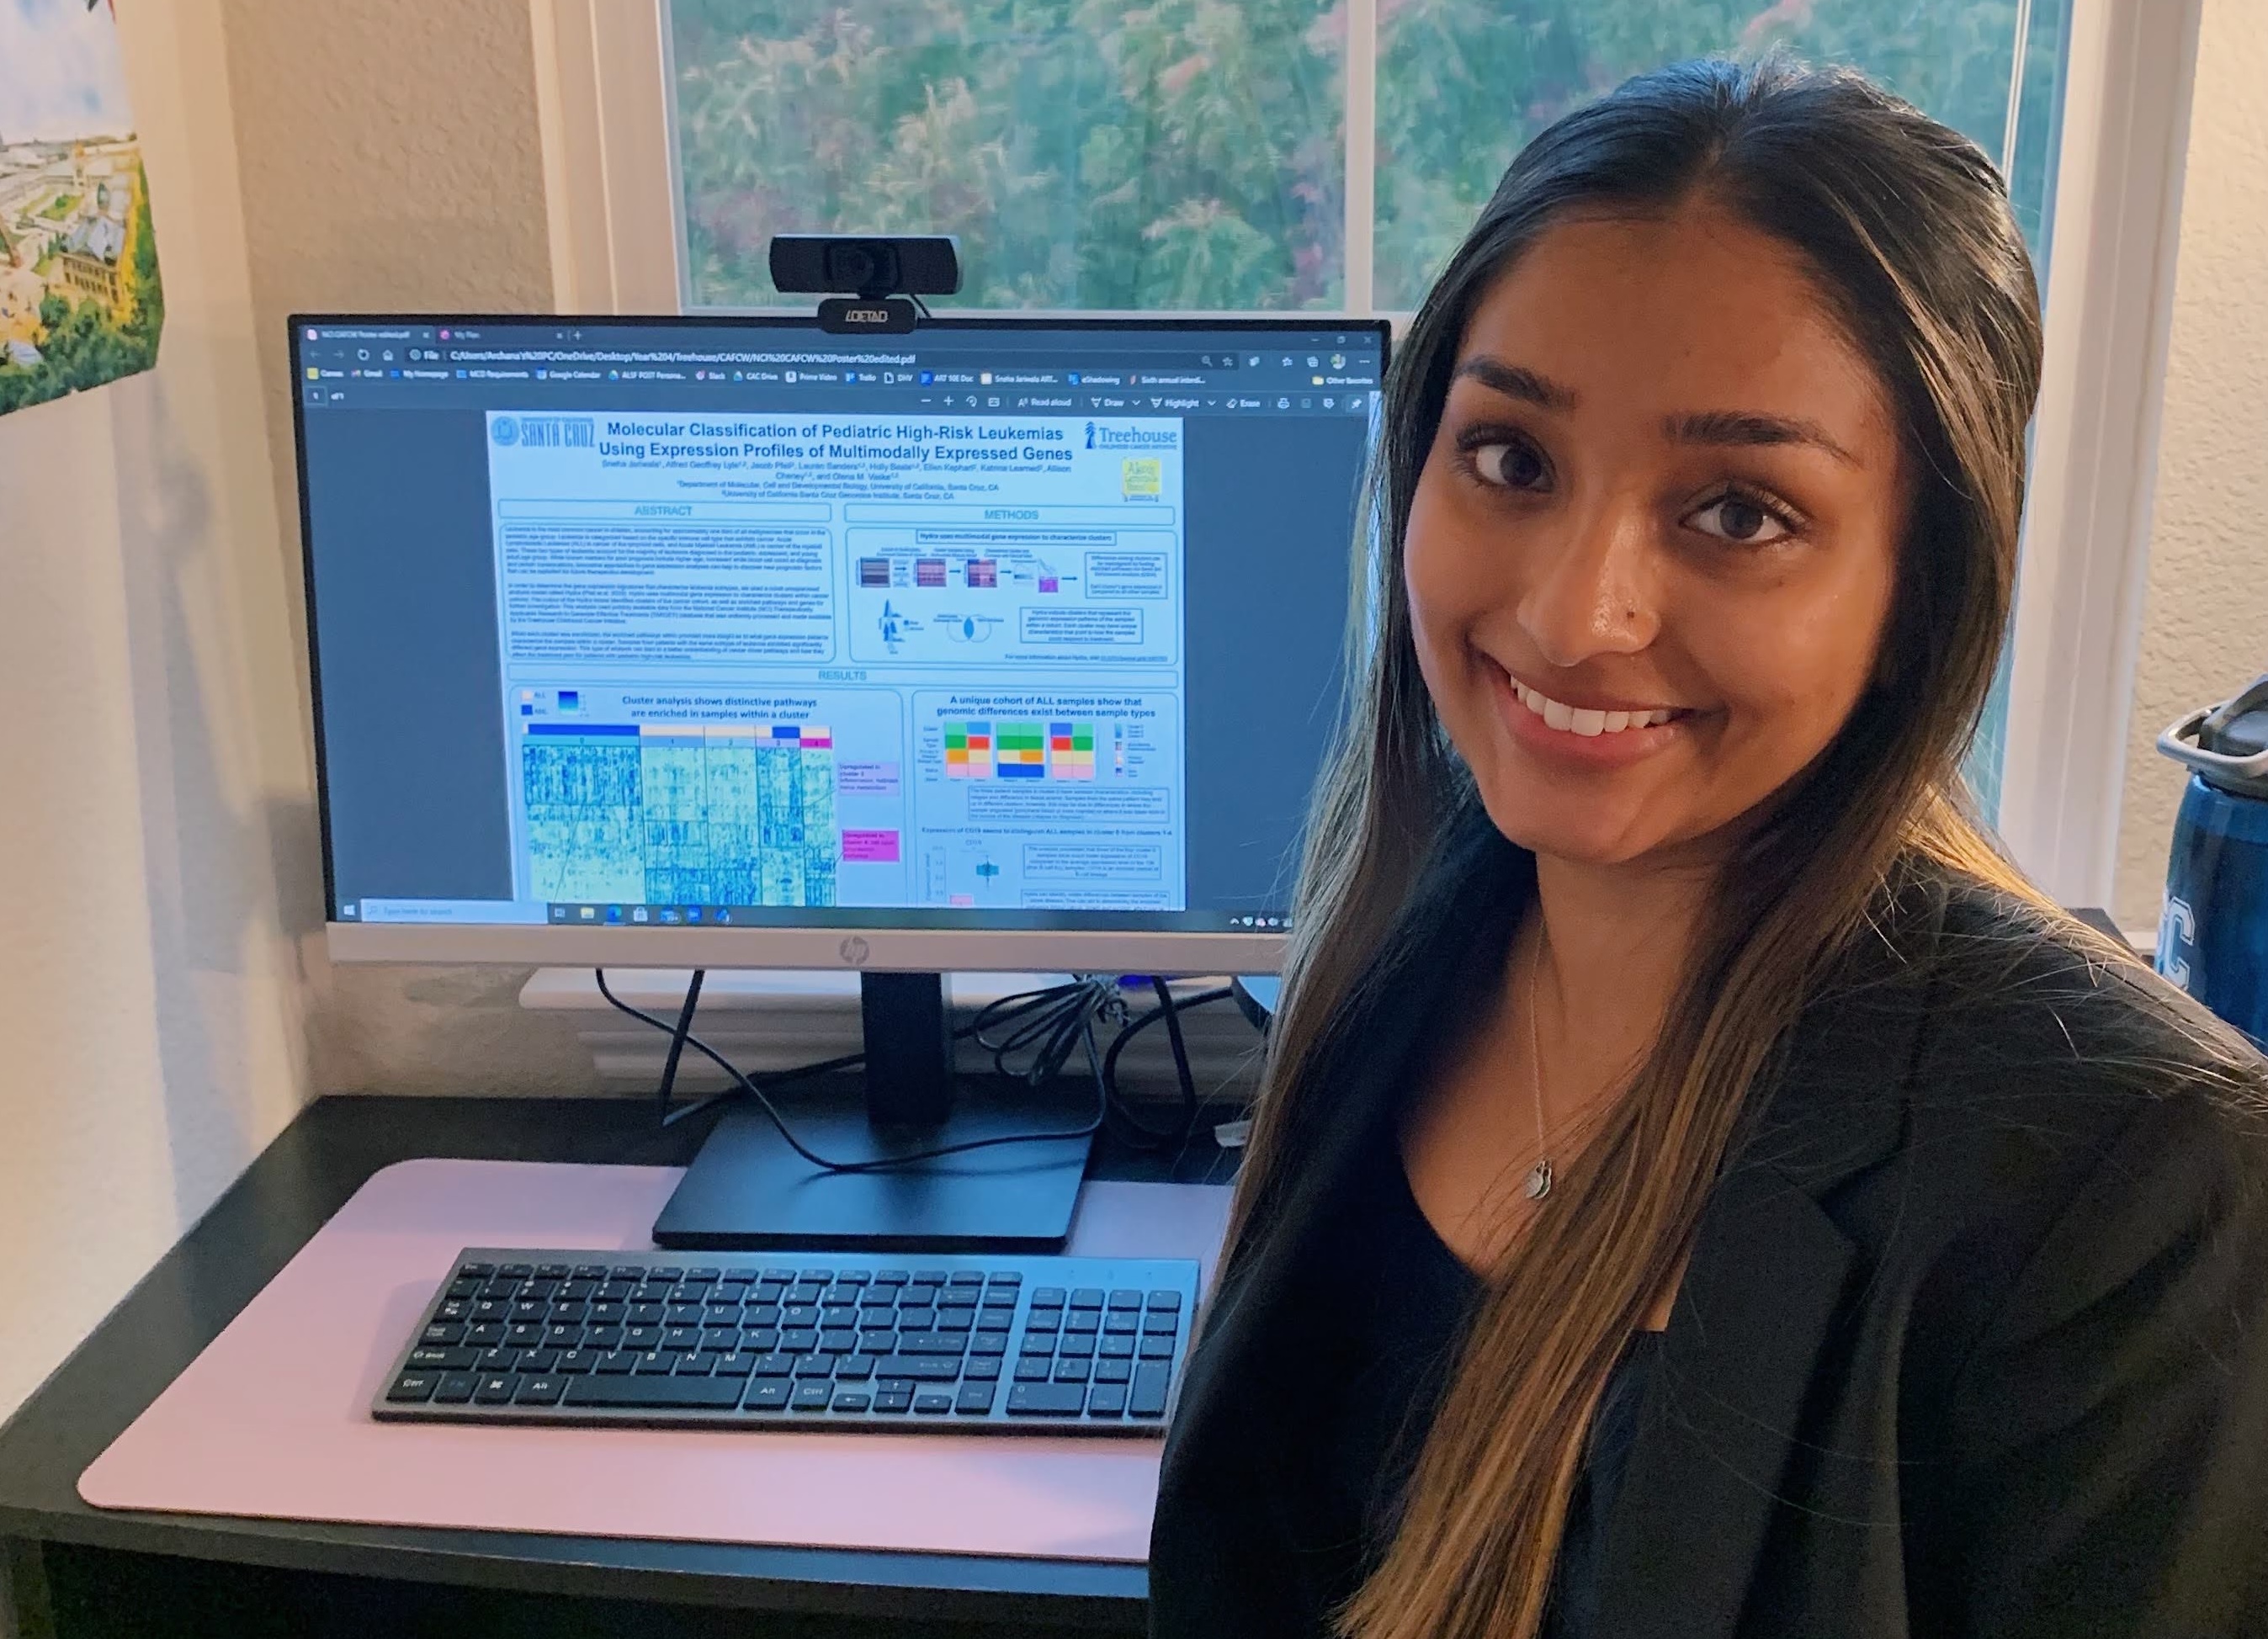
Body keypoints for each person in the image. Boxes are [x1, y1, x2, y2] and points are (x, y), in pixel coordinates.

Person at [1149, 54, 2268, 1639]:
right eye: (1512, 459)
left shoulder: (2134, 1181)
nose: (1568, 612)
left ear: (1918, 593)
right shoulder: (1409, 929)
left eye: (1739, 511)